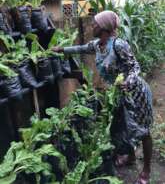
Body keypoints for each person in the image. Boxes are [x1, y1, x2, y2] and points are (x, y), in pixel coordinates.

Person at [52, 10, 153, 184]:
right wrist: (62, 49)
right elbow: (81, 48)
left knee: (142, 131)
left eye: (95, 24)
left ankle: (146, 171)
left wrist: (127, 82)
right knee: (123, 127)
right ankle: (130, 157)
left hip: (136, 92)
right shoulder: (98, 44)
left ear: (105, 27)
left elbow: (135, 67)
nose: (92, 25)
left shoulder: (118, 45)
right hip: (120, 94)